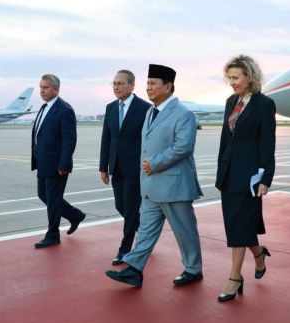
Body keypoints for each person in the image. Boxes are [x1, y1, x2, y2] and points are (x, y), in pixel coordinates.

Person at [105, 64, 203, 288]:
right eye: (147, 83)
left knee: (184, 231)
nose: (148, 88)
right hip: (151, 186)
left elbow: (184, 146)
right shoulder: (150, 111)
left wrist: (155, 163)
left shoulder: (183, 114)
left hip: (174, 185)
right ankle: (134, 270)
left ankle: (193, 269)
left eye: (153, 84)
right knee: (146, 231)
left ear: (168, 87)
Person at [215, 55, 276, 302]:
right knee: (235, 224)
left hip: (250, 177)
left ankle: (234, 277)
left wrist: (266, 178)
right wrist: (220, 173)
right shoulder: (231, 101)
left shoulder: (265, 104)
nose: (232, 82)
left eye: (236, 77)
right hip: (229, 175)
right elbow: (224, 139)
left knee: (239, 225)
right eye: (229, 78)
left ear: (249, 77)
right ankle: (259, 253)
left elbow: (267, 144)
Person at [99, 70, 152, 265]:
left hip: (136, 168)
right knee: (120, 205)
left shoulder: (145, 108)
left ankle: (125, 249)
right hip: (116, 166)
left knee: (130, 209)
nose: (116, 87)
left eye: (120, 83)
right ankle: (146, 235)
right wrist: (103, 166)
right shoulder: (110, 108)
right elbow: (107, 138)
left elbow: (149, 139)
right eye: (114, 84)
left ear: (132, 85)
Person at [31, 74, 86, 249]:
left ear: (56, 89)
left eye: (45, 87)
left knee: (53, 199)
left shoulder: (64, 109)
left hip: (57, 165)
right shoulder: (44, 107)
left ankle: (53, 234)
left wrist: (64, 163)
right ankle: (75, 215)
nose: (42, 91)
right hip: (44, 162)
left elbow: (70, 139)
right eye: (41, 87)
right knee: (43, 195)